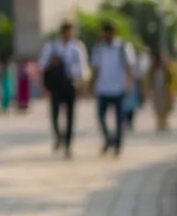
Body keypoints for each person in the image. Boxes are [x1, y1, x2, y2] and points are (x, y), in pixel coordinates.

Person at [39, 21, 89, 158]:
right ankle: (58, 136)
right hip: (56, 84)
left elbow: (83, 68)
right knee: (54, 114)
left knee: (70, 116)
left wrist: (82, 84)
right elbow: (42, 65)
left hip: (71, 83)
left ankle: (68, 144)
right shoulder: (52, 47)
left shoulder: (78, 48)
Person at [90, 21, 135, 157]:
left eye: (110, 32)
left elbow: (130, 67)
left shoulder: (123, 47)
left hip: (119, 88)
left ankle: (118, 146)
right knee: (101, 117)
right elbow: (95, 68)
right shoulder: (98, 48)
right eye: (105, 32)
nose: (107, 35)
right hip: (103, 88)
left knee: (119, 120)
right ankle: (109, 139)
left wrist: (129, 83)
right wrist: (91, 84)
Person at [144, 47, 175, 132]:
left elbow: (170, 78)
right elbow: (149, 80)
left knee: (165, 108)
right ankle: (159, 124)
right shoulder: (152, 69)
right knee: (157, 108)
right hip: (156, 91)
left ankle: (164, 123)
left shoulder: (165, 68)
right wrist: (148, 90)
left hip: (164, 90)